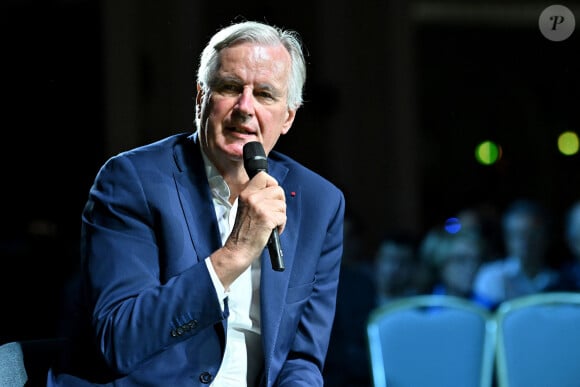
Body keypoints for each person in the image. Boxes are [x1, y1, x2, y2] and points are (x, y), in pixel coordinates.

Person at [47, 20, 345, 386]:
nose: (245, 108)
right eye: (231, 87)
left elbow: (301, 359)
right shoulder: (131, 181)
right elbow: (119, 340)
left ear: (287, 117)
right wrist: (235, 253)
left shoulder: (319, 202)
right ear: (201, 96)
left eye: (265, 94)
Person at [472, 199, 561, 311]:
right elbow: (483, 320)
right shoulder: (492, 277)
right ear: (506, 238)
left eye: (531, 235)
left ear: (545, 236)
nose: (524, 242)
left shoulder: (559, 280)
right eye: (515, 235)